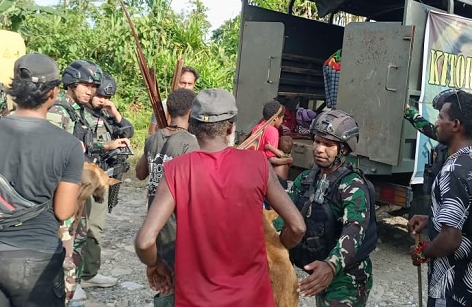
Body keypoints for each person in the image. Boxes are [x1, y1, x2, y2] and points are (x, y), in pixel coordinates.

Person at [135, 89, 305, 307]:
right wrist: (281, 245)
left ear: (192, 126)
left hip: (196, 299)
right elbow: (298, 227)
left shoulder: (176, 169)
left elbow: (145, 242)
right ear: (230, 127)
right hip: (252, 299)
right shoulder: (257, 164)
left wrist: (156, 264)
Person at [0, 53, 85, 307]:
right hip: (37, 257)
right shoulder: (68, 145)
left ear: (13, 90)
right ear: (53, 93)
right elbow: (63, 211)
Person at [47, 60, 129, 300]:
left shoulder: (79, 111)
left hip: (77, 183)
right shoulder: (59, 111)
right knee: (63, 235)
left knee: (78, 234)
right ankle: (63, 285)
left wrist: (104, 147)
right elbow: (53, 152)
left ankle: (76, 280)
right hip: (62, 185)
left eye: (93, 87)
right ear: (71, 83)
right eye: (85, 85)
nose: (90, 91)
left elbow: (84, 144)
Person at [279, 109, 377, 307]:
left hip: (348, 279)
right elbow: (282, 215)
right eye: (316, 141)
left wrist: (331, 265)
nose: (319, 149)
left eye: (328, 145)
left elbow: (354, 229)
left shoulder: (352, 185)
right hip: (320, 271)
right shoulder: (306, 180)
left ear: (344, 150)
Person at [407, 90, 472, 307]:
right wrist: (432, 218)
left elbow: (451, 239)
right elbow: (470, 214)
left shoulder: (453, 171)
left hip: (451, 286)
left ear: (455, 125)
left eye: (441, 117)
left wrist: (422, 252)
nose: (436, 122)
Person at [135, 88, 198, 306]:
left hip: (155, 220)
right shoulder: (191, 143)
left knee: (164, 280)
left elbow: (140, 173)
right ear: (191, 112)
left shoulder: (153, 138)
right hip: (177, 226)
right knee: (178, 282)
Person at [80, 72, 135, 287]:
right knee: (76, 227)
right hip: (83, 178)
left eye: (107, 97)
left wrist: (114, 111)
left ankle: (89, 273)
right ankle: (72, 277)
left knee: (95, 227)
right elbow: (77, 144)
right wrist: (105, 146)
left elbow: (128, 131)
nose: (103, 100)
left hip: (101, 179)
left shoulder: (105, 114)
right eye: (100, 96)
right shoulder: (78, 114)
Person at [148, 65, 198, 136]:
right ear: (175, 82)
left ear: (194, 85)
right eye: (182, 83)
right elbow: (152, 133)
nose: (186, 87)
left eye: (189, 84)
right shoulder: (163, 105)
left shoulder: (198, 107)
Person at [251, 100, 293, 183]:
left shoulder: (257, 127)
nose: (282, 122)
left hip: (254, 166)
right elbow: (270, 159)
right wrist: (288, 160)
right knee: (284, 166)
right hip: (262, 170)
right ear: (275, 118)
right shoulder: (273, 131)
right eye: (282, 118)